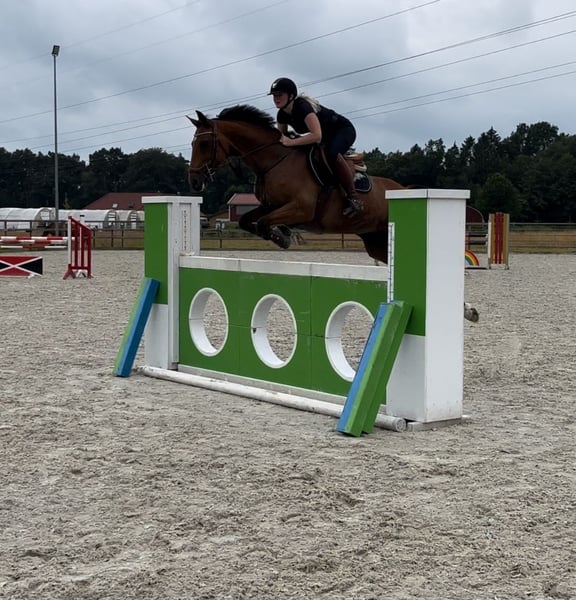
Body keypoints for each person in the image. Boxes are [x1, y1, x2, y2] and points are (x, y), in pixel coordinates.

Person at [268, 77, 363, 215]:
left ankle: (354, 198)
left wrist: (291, 142)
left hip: (342, 130)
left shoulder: (303, 107)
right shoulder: (282, 114)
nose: (276, 98)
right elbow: (282, 139)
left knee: (331, 153)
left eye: (279, 95)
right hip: (325, 136)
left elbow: (316, 136)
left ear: (291, 96)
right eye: (274, 95)